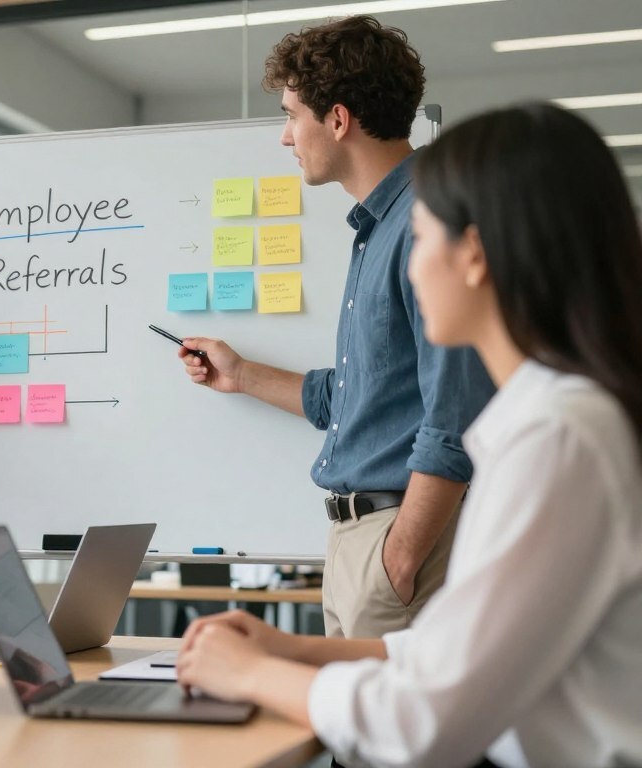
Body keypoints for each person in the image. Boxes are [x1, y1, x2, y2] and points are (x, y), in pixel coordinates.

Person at [176, 103, 642, 767]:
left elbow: (424, 722)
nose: (412, 268)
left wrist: (249, 675)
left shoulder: (560, 437)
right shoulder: (556, 419)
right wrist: (287, 648)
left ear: (474, 254)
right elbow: (445, 653)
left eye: (421, 240)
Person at [176, 16, 494, 638]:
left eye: (293, 115)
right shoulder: (380, 228)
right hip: (360, 544)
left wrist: (400, 559)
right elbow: (356, 398)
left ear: (339, 120)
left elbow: (455, 416)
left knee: (390, 737)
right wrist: (241, 375)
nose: (285, 137)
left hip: (400, 545)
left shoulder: (426, 222)